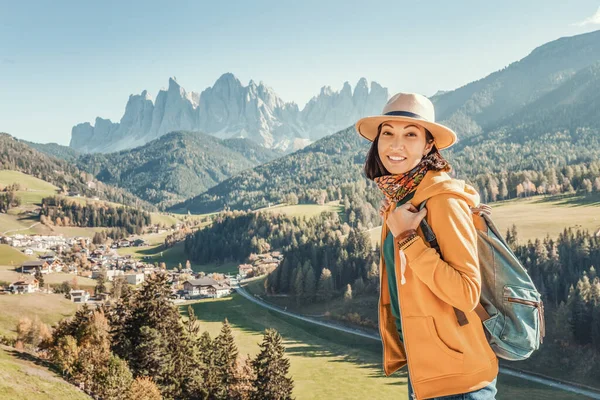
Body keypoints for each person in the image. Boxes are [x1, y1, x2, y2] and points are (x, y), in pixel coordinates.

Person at [355, 93, 498, 400]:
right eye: (388, 133)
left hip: (460, 383)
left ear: (429, 144)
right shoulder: (402, 201)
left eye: (410, 134)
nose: (396, 145)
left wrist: (408, 240)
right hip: (428, 373)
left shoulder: (443, 201)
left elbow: (466, 292)